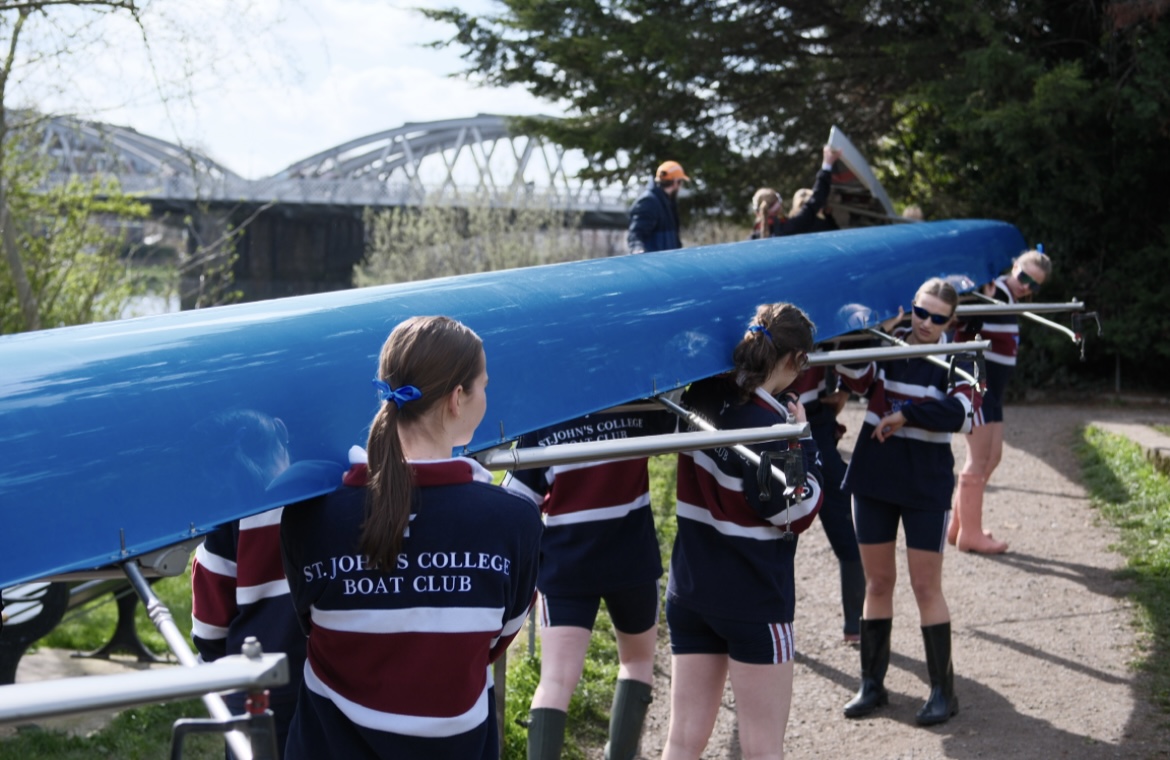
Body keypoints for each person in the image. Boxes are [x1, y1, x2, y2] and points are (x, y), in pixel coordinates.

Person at [280, 316, 543, 760]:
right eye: (483, 385)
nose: (486, 396)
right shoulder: (513, 522)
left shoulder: (309, 515)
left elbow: (312, 623)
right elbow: (495, 642)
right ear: (457, 399)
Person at [662, 303, 824, 760]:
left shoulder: (702, 394)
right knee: (762, 748)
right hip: (754, 599)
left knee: (682, 740)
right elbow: (797, 510)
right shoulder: (774, 427)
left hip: (690, 591)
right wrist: (804, 438)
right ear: (795, 360)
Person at [837, 278, 979, 727]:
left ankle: (943, 693)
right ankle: (872, 685)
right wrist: (876, 331)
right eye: (921, 312)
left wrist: (906, 414)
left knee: (925, 586)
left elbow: (963, 414)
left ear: (951, 321)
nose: (926, 323)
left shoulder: (961, 354)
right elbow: (852, 375)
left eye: (938, 317)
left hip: (925, 484)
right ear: (911, 307)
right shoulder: (889, 341)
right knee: (877, 582)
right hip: (874, 476)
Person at [504, 408, 675, 760]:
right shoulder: (637, 407)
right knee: (638, 662)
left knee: (555, 680)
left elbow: (516, 500)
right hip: (632, 559)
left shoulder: (544, 421)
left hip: (567, 565)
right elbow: (678, 425)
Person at [190, 409, 305, 758]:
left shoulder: (226, 522)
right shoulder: (329, 496)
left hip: (251, 689)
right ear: (282, 430)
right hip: (320, 686)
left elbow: (209, 630)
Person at [948, 249, 1052, 554]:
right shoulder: (991, 290)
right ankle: (970, 534)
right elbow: (961, 320)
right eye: (1024, 276)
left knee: (993, 456)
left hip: (993, 390)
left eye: (1034, 285)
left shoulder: (1008, 297)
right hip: (975, 383)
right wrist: (982, 297)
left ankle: (958, 526)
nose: (1026, 286)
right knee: (978, 458)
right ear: (1014, 266)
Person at [782, 362, 864, 643]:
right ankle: (775, 627)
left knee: (844, 519)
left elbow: (857, 343)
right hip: (770, 424)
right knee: (781, 528)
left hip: (813, 421)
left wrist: (845, 389)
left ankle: (856, 623)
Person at [627, 161, 688, 253]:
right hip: (655, 261)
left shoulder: (667, 202)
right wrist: (637, 249)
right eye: (681, 182)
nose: (680, 186)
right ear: (676, 182)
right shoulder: (649, 202)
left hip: (668, 260)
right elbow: (636, 234)